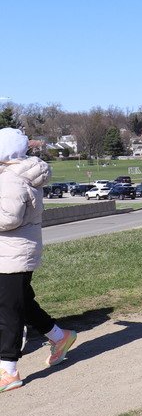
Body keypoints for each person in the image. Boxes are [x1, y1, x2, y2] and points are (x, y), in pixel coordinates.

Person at [0, 128, 78, 392]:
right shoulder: (20, 174)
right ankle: (59, 336)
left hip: (12, 253)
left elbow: (8, 218)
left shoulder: (11, 179)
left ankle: (8, 370)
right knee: (20, 302)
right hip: (16, 251)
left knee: (9, 310)